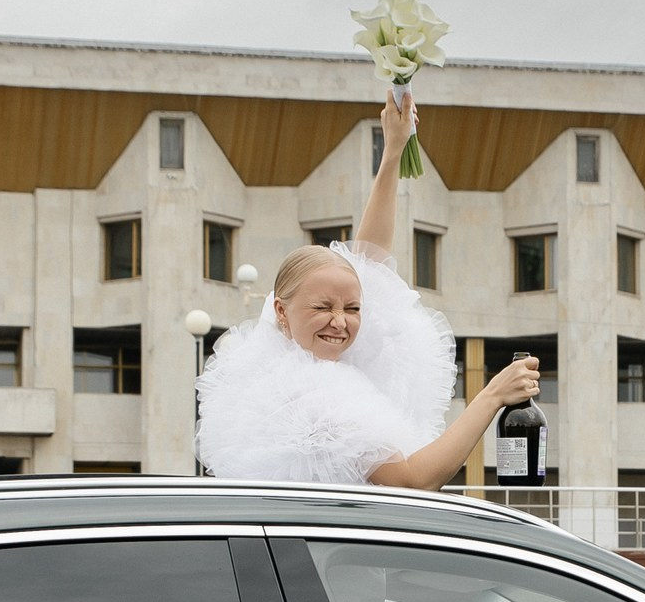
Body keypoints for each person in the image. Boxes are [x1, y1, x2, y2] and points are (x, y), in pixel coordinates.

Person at [195, 91, 540, 488]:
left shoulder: (277, 359)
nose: (340, 322)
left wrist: (393, 151)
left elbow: (370, 256)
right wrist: (492, 395)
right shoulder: (310, 393)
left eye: (354, 309)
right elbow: (411, 482)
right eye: (322, 307)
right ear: (280, 311)